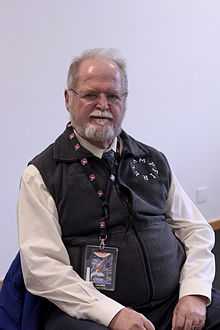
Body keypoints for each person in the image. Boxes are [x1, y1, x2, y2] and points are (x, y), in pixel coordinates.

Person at [17, 48, 220, 330]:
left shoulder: (152, 160)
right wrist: (112, 314)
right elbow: (43, 268)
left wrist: (195, 292)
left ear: (124, 101)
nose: (103, 104)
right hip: (94, 314)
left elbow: (196, 230)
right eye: (90, 95)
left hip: (174, 302)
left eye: (113, 96)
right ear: (68, 99)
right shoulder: (41, 174)